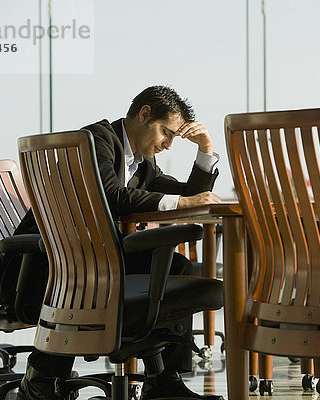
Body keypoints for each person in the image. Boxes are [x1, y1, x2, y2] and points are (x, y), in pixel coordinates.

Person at [16, 85, 223, 400]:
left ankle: (163, 380)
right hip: (51, 262)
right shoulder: (97, 141)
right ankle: (41, 379)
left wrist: (206, 150)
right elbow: (111, 196)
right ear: (144, 114)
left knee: (174, 265)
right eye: (165, 133)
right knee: (166, 266)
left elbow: (188, 196)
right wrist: (182, 204)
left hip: (86, 261)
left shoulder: (140, 164)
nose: (168, 145)